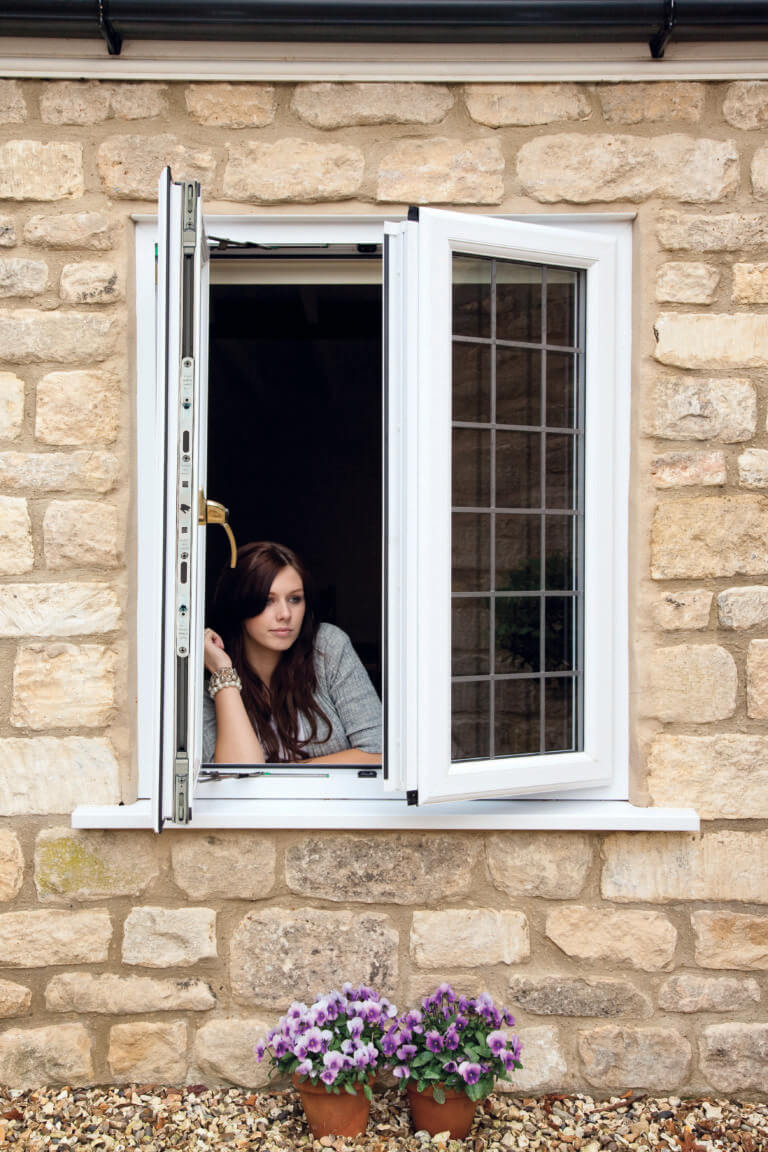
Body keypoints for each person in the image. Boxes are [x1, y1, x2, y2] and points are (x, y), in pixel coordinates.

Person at [202, 541, 381, 765]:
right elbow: (232, 774)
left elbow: (378, 752)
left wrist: (283, 774)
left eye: (295, 599)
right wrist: (223, 675)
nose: (285, 614)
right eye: (268, 600)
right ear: (238, 605)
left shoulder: (326, 647)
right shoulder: (207, 675)